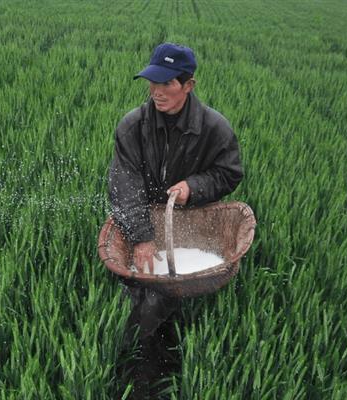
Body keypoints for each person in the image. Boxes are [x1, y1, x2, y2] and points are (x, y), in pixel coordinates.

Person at [108, 43, 243, 398]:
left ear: (188, 85)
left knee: (168, 297)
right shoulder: (132, 125)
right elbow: (124, 183)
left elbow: (229, 174)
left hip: (191, 222)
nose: (156, 91)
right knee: (140, 293)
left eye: (166, 83)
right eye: (152, 81)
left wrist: (193, 187)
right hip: (143, 219)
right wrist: (141, 237)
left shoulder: (215, 128)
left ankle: (169, 345)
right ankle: (134, 357)